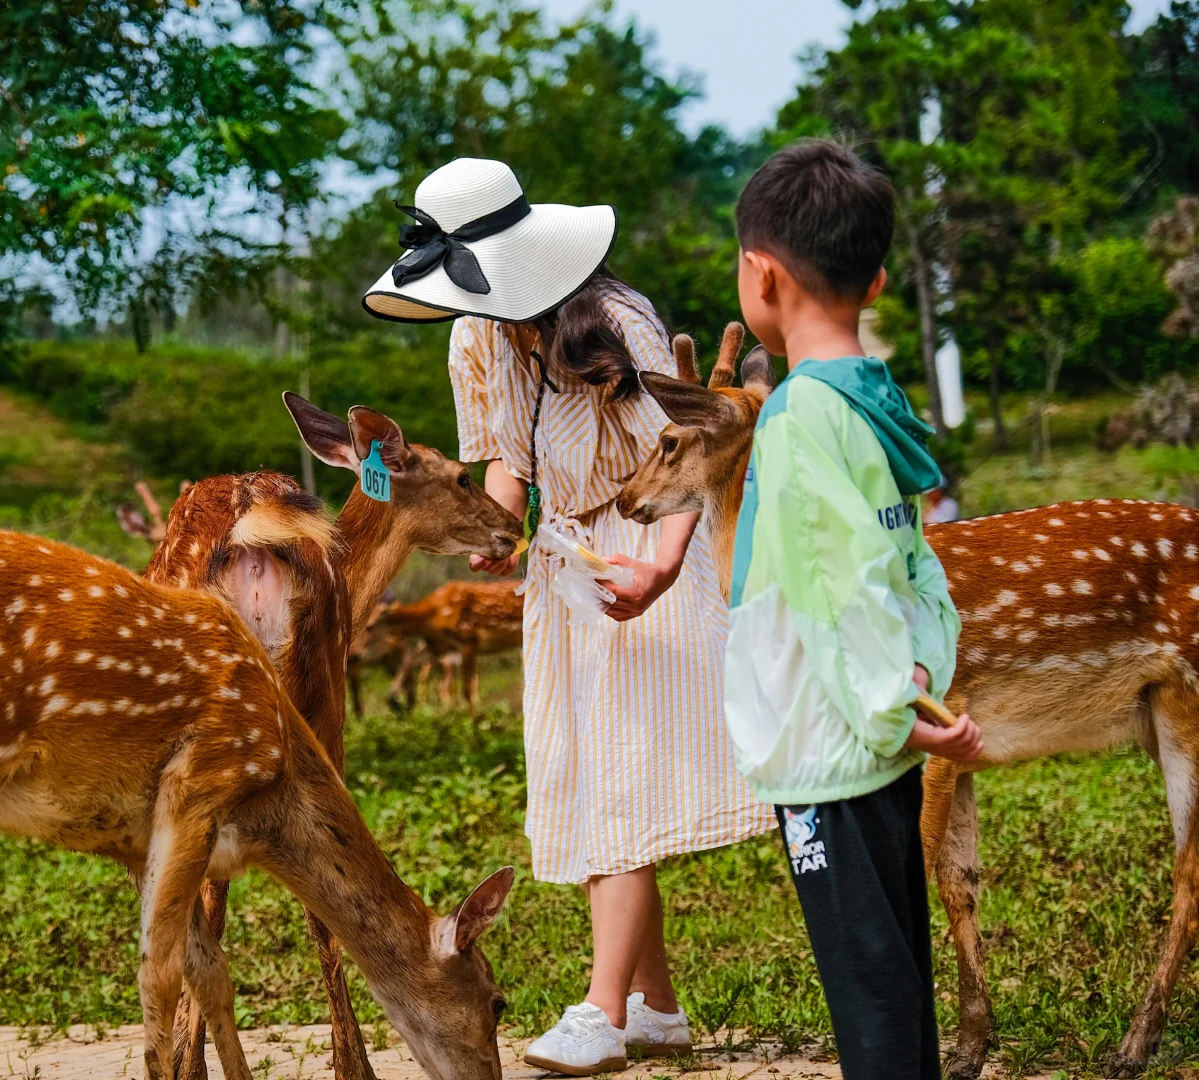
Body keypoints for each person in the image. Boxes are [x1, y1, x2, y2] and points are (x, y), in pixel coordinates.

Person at [363, 157, 771, 1075]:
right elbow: (508, 458)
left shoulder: (616, 324)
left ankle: (599, 1010)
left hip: (644, 556)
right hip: (566, 576)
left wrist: (661, 571)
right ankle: (655, 1008)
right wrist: (499, 533)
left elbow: (689, 461)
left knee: (617, 792)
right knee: (594, 789)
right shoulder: (476, 337)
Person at [724, 139, 984, 1080]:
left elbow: (840, 590)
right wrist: (919, 684)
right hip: (881, 733)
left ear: (763, 274)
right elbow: (909, 564)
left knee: (868, 992)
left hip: (834, 753)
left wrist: (892, 715)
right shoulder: (874, 402)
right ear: (876, 281)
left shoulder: (797, 421)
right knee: (894, 976)